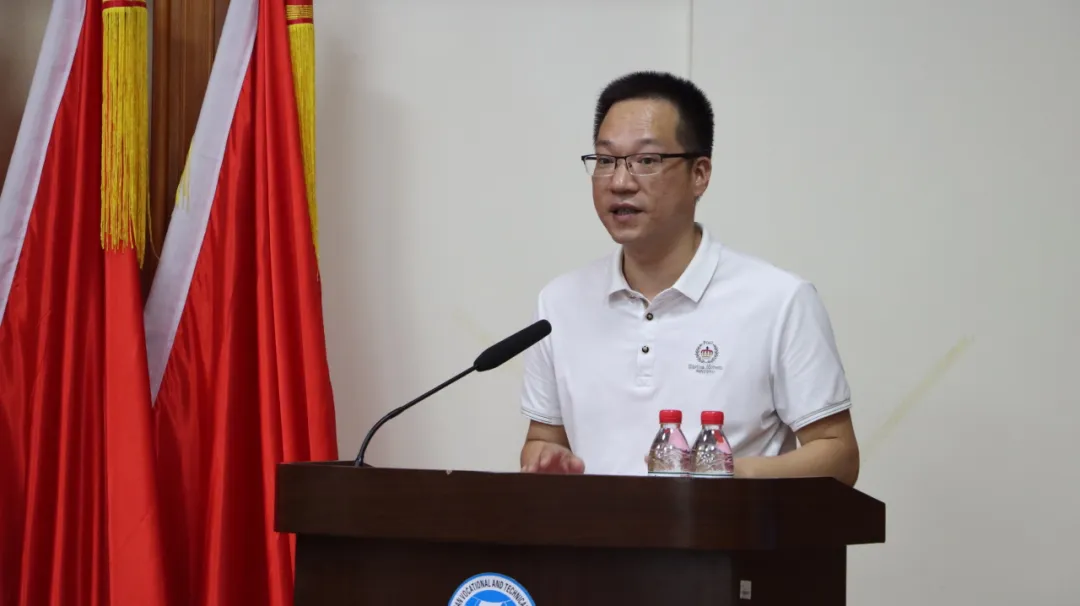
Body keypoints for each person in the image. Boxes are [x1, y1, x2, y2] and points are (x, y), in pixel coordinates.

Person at [518, 71, 860, 486]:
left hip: (726, 529)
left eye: (647, 161)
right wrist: (546, 458)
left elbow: (838, 456)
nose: (620, 182)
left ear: (699, 174)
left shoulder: (780, 300)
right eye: (606, 161)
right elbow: (543, 439)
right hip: (596, 530)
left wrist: (729, 475)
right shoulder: (558, 304)